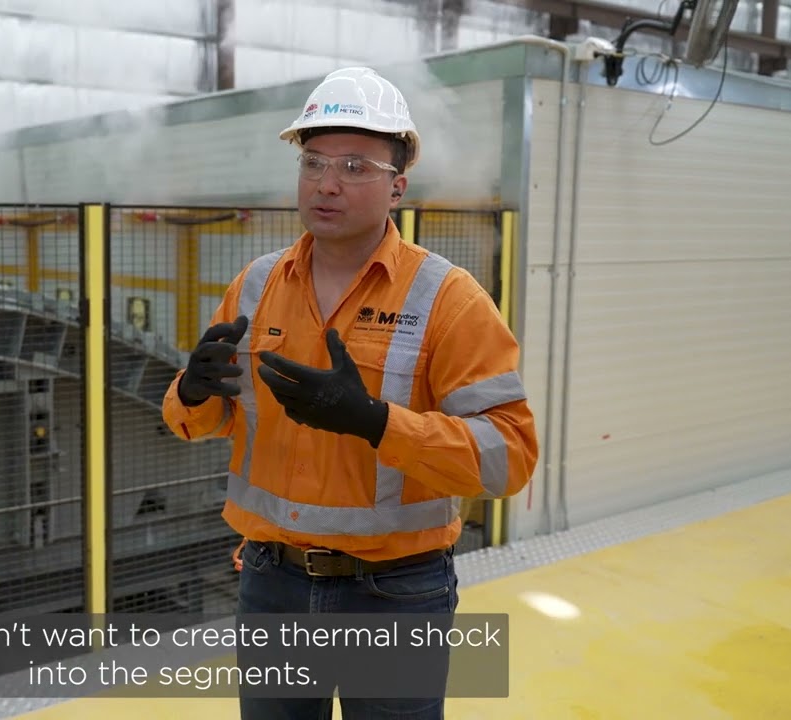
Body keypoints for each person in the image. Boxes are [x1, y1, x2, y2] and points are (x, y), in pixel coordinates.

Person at [160, 67, 539, 719]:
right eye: (313, 162)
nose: (327, 183)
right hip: (271, 585)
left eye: (355, 166)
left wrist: (375, 423)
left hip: (393, 597)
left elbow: (510, 458)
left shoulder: (448, 300)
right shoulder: (256, 286)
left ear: (397, 187)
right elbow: (208, 420)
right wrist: (191, 391)